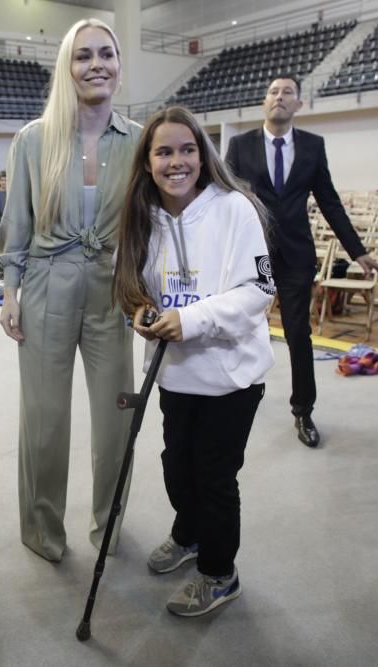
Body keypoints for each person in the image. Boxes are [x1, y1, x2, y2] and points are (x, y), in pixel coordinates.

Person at [113, 106, 274, 617]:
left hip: (231, 377)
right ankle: (189, 535)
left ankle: (220, 573)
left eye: (188, 150)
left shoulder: (235, 208)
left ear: (203, 157)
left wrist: (193, 319)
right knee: (176, 469)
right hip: (175, 374)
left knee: (213, 478)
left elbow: (259, 290)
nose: (177, 161)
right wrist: (140, 314)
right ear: (148, 161)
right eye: (164, 151)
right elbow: (134, 292)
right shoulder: (141, 214)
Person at [0, 18, 140, 562]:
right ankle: (41, 529)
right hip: (43, 288)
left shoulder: (140, 140)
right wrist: (10, 292)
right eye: (83, 56)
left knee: (115, 422)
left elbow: (151, 224)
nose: (96, 64)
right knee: (44, 422)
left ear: (120, 67)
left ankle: (110, 526)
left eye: (107, 54)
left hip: (113, 291)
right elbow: (18, 223)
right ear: (67, 66)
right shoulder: (34, 140)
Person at [225, 75, 378, 448]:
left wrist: (357, 251)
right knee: (238, 326)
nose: (280, 97)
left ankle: (303, 411)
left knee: (299, 333)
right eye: (273, 92)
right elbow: (223, 197)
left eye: (288, 93)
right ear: (264, 102)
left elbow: (329, 201)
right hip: (252, 253)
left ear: (299, 105)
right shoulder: (240, 144)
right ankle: (231, 397)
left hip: (296, 253)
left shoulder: (313, 147)